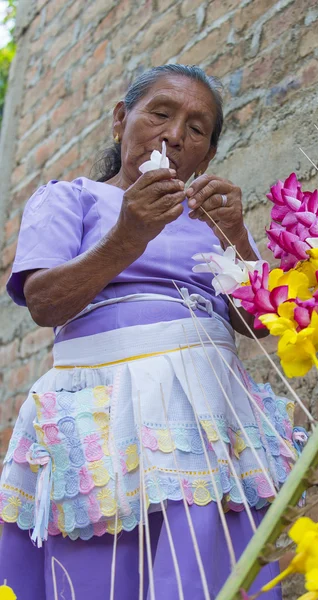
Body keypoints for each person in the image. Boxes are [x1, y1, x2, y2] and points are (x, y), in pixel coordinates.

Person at [0, 65, 299, 600]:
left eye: (197, 129)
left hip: (207, 409)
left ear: (205, 156)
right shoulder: (71, 198)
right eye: (160, 114)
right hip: (103, 404)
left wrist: (236, 238)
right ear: (121, 121)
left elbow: (259, 323)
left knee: (211, 559)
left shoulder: (212, 218)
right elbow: (44, 303)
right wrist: (128, 236)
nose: (175, 135)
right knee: (105, 561)